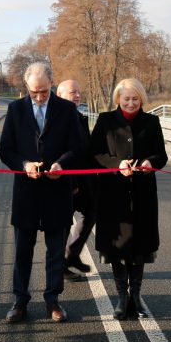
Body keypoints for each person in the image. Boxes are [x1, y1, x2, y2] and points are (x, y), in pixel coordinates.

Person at [0, 62, 84, 323]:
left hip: (57, 190)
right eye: (34, 92)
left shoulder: (68, 110)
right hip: (26, 191)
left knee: (55, 251)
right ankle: (19, 301)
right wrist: (24, 165)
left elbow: (78, 148)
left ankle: (53, 300)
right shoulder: (15, 110)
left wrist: (62, 164)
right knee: (22, 251)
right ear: (27, 87)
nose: (38, 97)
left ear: (52, 83)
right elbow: (5, 150)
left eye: (44, 92)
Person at [90, 78, 167, 320]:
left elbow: (161, 155)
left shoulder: (152, 122)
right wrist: (116, 164)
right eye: (126, 99)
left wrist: (149, 162)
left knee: (139, 247)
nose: (131, 103)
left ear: (141, 99)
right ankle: (122, 297)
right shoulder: (105, 121)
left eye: (135, 99)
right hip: (114, 195)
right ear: (118, 100)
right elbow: (94, 154)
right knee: (118, 247)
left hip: (143, 194)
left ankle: (137, 296)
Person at [56, 79, 97, 280]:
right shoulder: (56, 119)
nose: (78, 95)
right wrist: (70, 182)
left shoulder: (79, 117)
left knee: (89, 216)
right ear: (60, 95)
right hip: (66, 182)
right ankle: (60, 267)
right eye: (73, 92)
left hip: (85, 181)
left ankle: (71, 255)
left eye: (79, 92)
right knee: (63, 225)